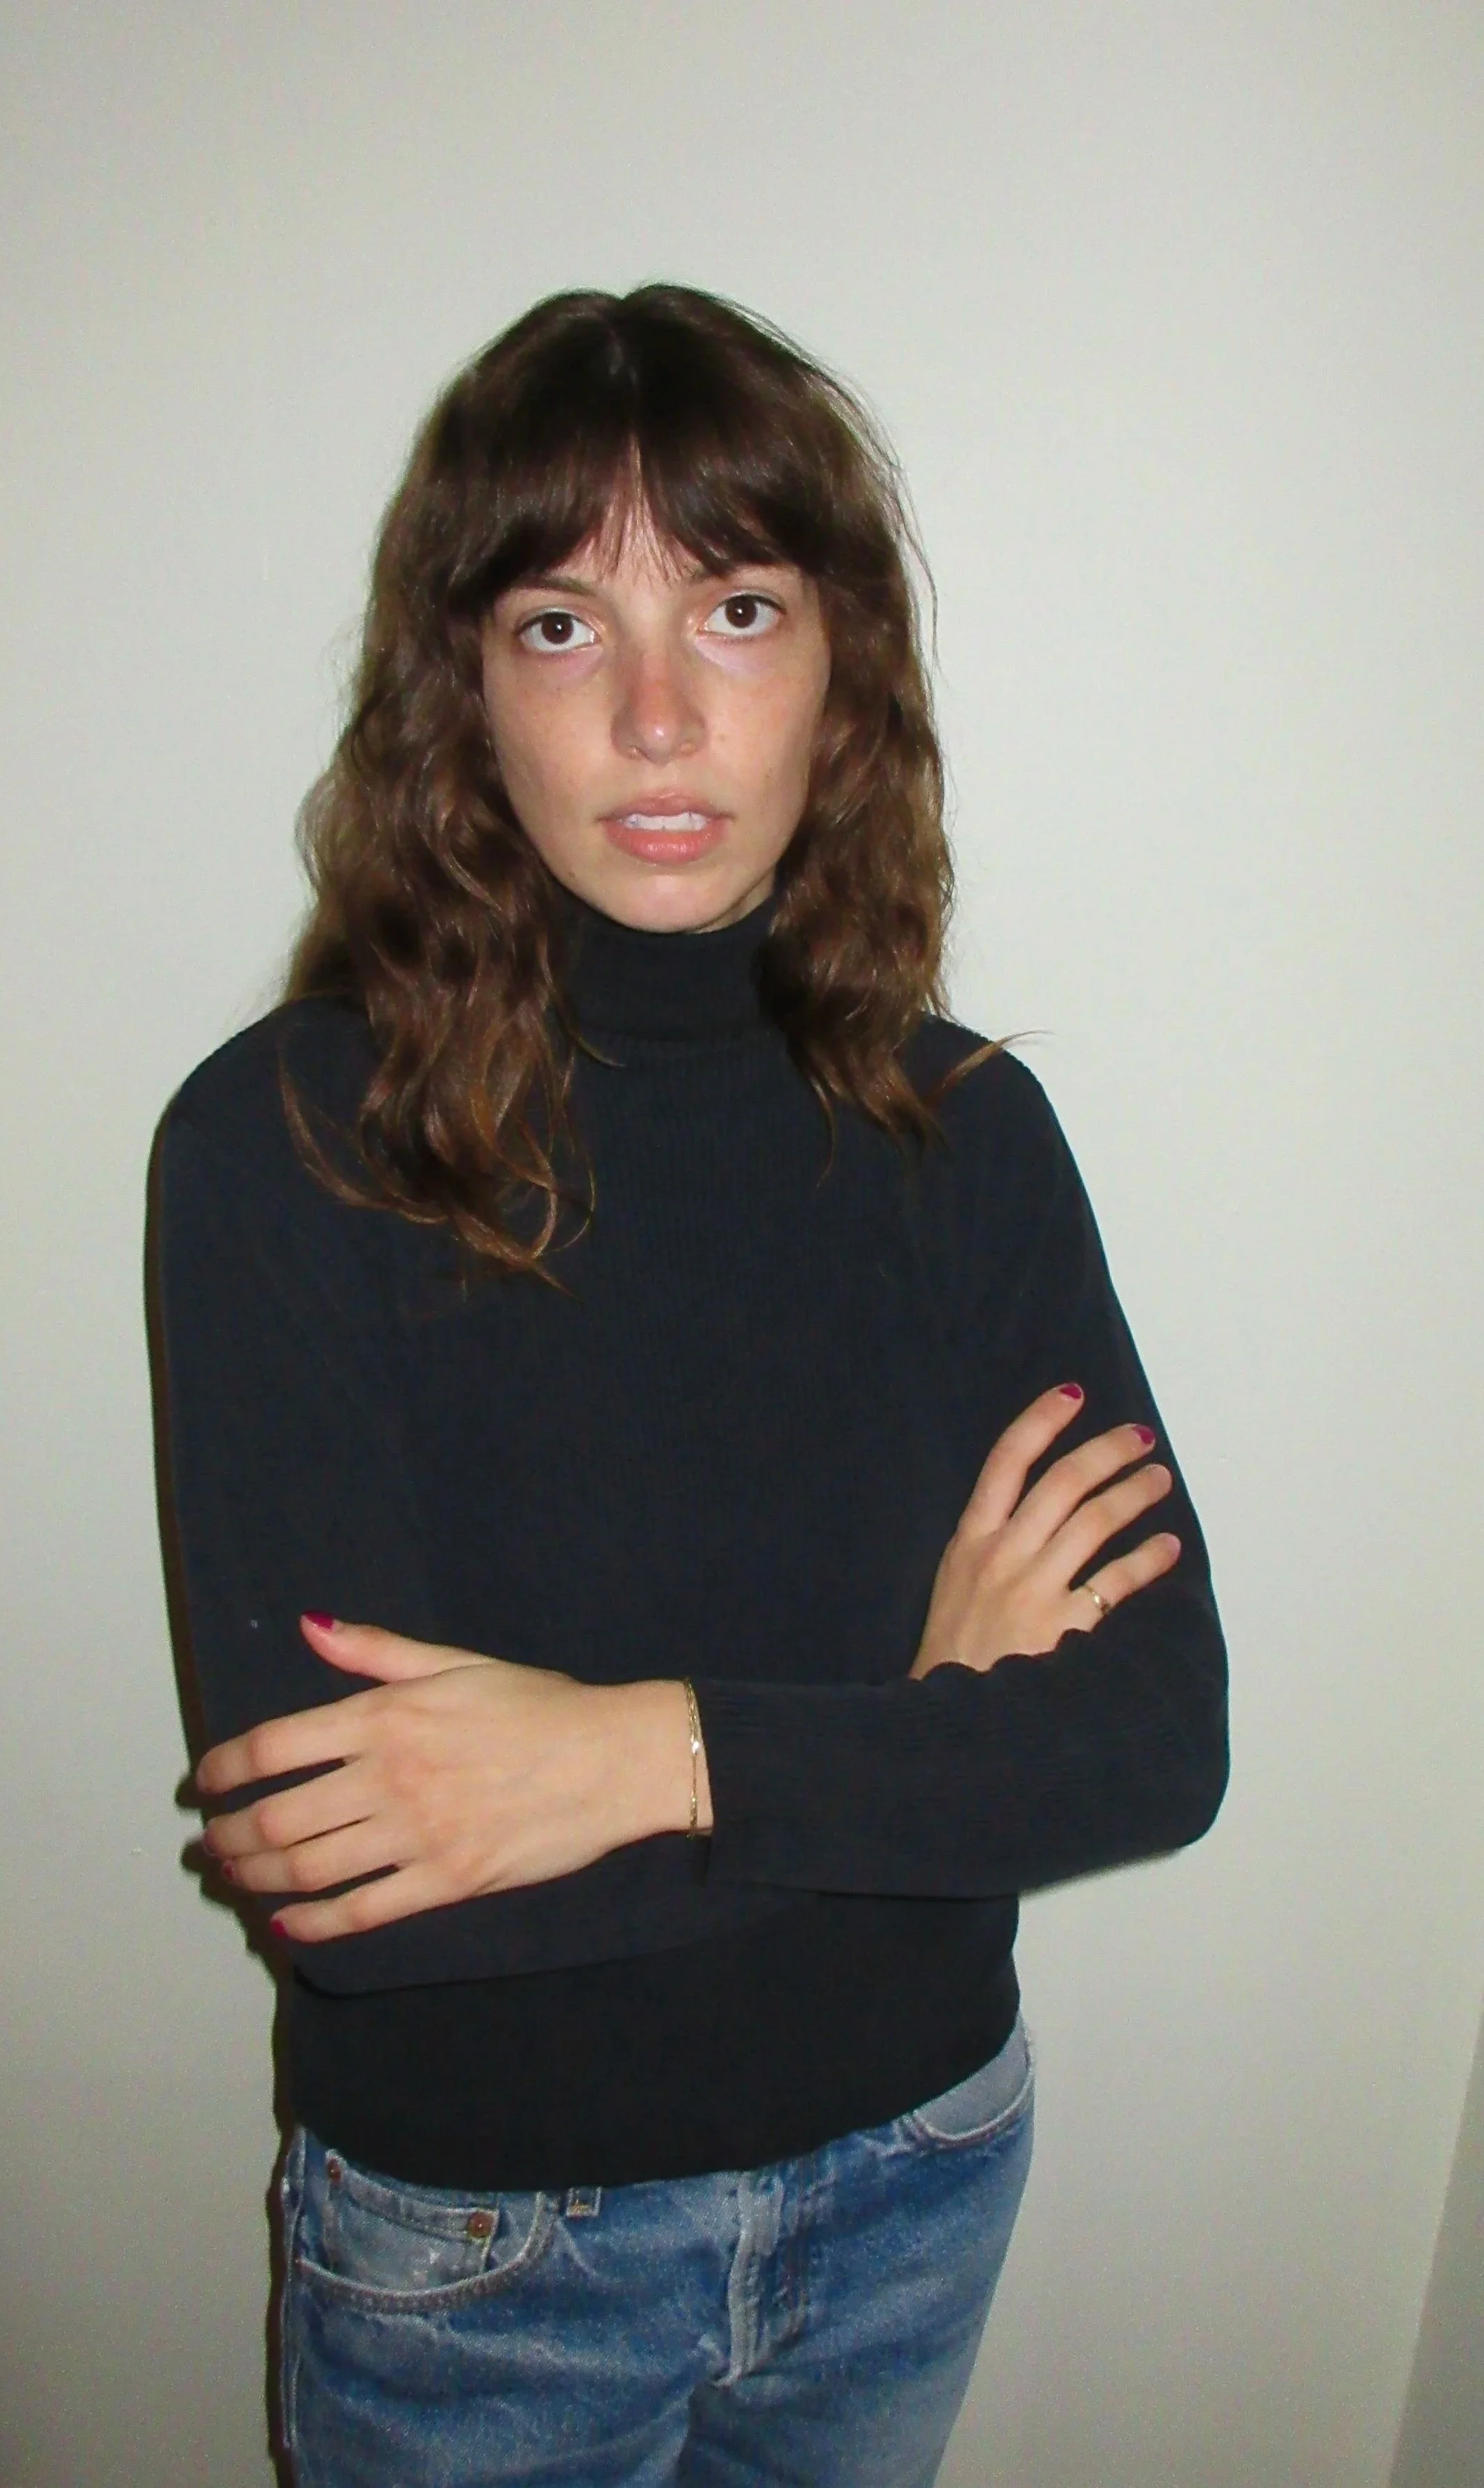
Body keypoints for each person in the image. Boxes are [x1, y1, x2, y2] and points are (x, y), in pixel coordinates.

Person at [154, 284, 1228, 2488]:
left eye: (734, 610)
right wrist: (921, 1733)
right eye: (562, 627)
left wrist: (628, 1754)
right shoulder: (284, 1144)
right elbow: (361, 1897)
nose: (656, 716)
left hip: (916, 2179)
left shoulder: (963, 1134)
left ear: (840, 669)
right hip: (488, 2260)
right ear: (462, 687)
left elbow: (1150, 1740)